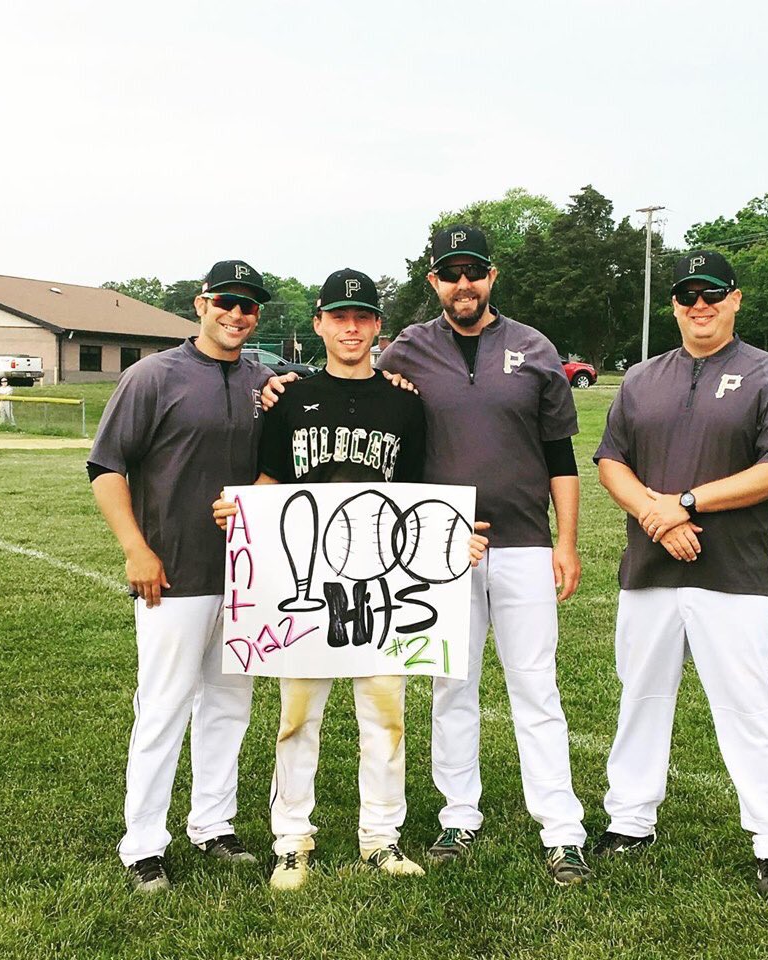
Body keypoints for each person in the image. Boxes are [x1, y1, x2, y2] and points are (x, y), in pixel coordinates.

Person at [214, 268, 486, 891]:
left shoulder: (405, 401)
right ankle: (291, 838)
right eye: (339, 316)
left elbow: (418, 495)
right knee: (296, 717)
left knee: (384, 715)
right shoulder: (289, 400)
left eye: (363, 316)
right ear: (319, 323)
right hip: (306, 586)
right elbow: (271, 484)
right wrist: (240, 513)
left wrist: (452, 535)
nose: (352, 327)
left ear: (378, 326)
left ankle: (382, 837)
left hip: (382, 587)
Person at [593, 250, 768, 898]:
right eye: (688, 295)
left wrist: (686, 502)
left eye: (711, 293)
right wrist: (658, 517)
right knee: (640, 698)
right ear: (674, 306)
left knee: (749, 708)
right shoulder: (641, 378)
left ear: (735, 299)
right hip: (650, 571)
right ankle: (630, 820)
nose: (699, 305)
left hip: (735, 575)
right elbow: (611, 462)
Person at [377, 225, 591, 886]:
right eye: (450, 273)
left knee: (536, 687)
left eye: (473, 271)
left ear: (491, 277)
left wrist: (567, 540)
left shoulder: (533, 346)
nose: (462, 284)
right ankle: (458, 813)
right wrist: (276, 387)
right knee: (452, 686)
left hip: (525, 540)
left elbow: (561, 455)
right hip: (442, 546)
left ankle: (562, 828)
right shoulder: (407, 350)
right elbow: (353, 386)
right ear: (433, 282)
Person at [88, 260, 275, 893]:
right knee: (164, 707)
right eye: (227, 301)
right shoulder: (153, 375)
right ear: (201, 304)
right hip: (171, 572)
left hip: (248, 578)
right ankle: (143, 842)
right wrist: (136, 549)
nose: (237, 315)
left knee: (229, 704)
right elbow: (107, 467)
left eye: (248, 307)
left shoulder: (265, 380)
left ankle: (214, 825)